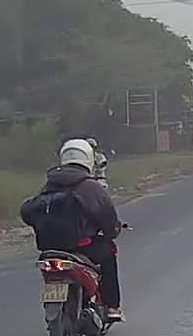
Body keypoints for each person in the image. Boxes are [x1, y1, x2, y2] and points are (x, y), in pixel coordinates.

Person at [22, 138, 124, 322]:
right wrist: (112, 232)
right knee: (109, 252)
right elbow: (106, 215)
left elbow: (31, 212)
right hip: (82, 247)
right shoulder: (90, 187)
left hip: (50, 249)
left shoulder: (49, 185)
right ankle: (112, 307)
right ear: (89, 159)